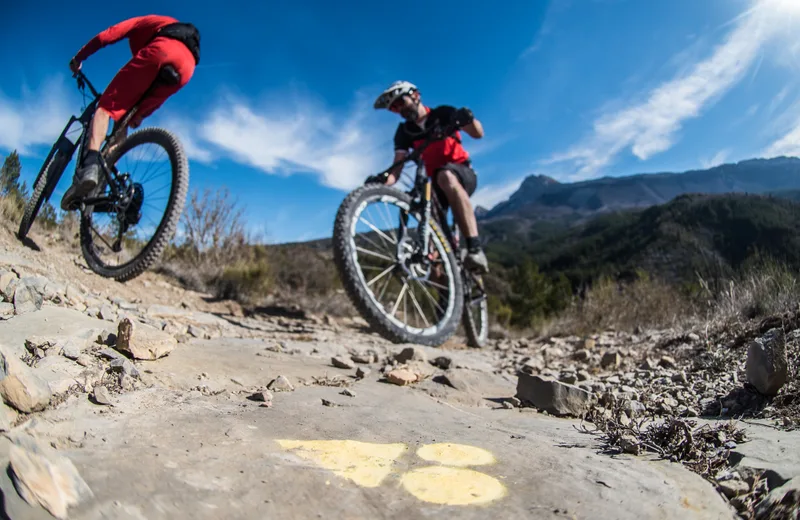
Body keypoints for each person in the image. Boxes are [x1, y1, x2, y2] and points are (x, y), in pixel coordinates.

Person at [61, 15, 200, 211]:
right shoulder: (173, 28)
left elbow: (106, 36)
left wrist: (79, 58)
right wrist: (140, 115)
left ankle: (91, 166)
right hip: (186, 70)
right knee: (125, 122)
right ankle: (103, 182)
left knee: (105, 108)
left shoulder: (146, 21)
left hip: (161, 51)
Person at [371, 80, 489, 274]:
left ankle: (474, 248)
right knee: (428, 239)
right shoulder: (404, 132)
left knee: (445, 176)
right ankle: (446, 297)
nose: (400, 110)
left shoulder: (441, 113)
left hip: (461, 174)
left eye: (402, 102)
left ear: (416, 95)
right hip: (435, 187)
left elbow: (477, 133)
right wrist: (381, 181)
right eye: (394, 108)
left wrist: (468, 118)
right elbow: (397, 168)